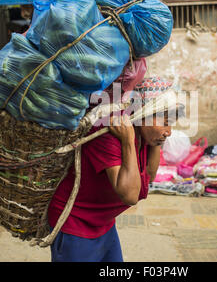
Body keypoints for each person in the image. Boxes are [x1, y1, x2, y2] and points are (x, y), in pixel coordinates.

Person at [47, 77, 183, 262]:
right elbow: (130, 195)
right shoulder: (110, 133)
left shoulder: (141, 134)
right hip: (76, 222)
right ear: (144, 114)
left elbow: (148, 177)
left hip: (104, 222)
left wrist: (157, 139)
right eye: (165, 122)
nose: (169, 131)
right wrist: (127, 141)